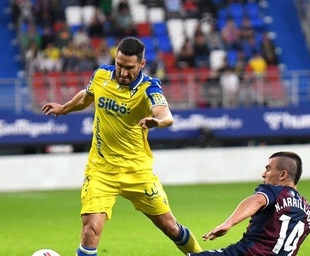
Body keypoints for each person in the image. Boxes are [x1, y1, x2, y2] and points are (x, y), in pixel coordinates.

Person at [41, 37, 202, 256]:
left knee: (170, 227)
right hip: (101, 170)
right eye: (119, 65)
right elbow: (87, 97)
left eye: (129, 68)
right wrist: (65, 108)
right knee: (91, 229)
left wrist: (158, 121)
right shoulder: (101, 75)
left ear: (141, 64)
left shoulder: (149, 87)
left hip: (137, 171)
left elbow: (166, 115)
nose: (123, 72)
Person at [188, 151, 310, 256]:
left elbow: (257, 200)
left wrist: (228, 223)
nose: (264, 174)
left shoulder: (275, 192)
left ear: (282, 174)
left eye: (268, 169)